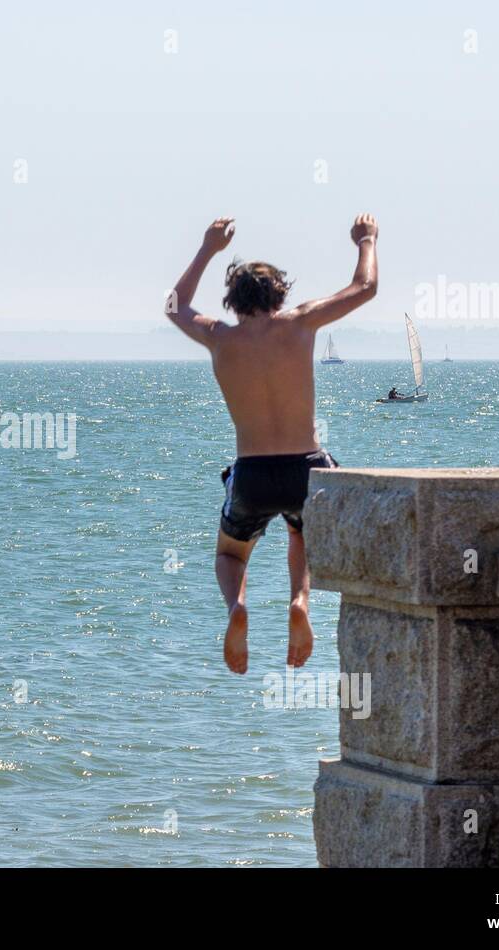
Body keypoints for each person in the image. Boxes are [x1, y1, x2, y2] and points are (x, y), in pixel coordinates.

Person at [166, 213, 378, 675]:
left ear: (232, 299)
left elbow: (173, 306)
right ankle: (299, 601)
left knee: (230, 552)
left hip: (253, 473)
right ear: (280, 294)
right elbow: (364, 288)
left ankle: (235, 608)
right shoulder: (300, 324)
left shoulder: (218, 337)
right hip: (308, 468)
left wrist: (207, 248)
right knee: (301, 530)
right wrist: (365, 239)